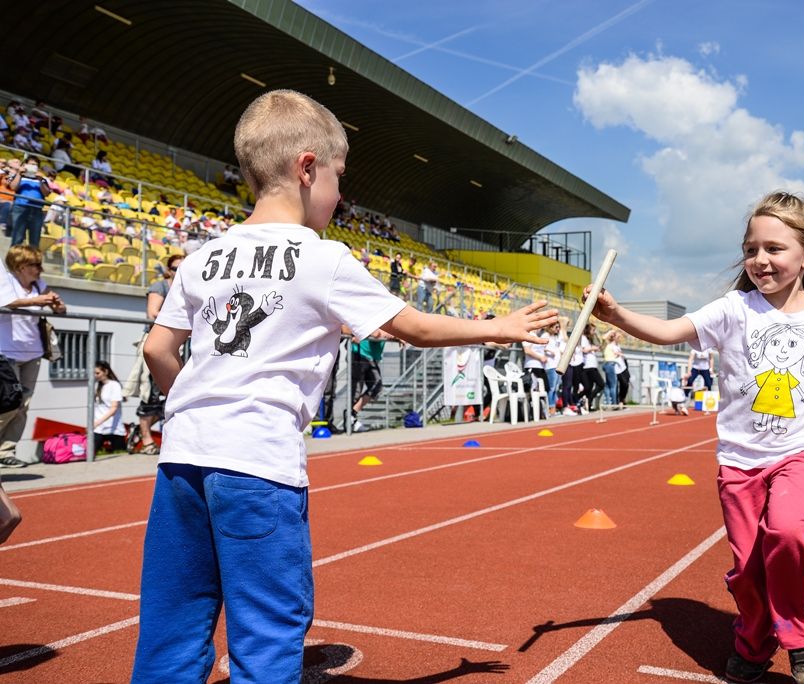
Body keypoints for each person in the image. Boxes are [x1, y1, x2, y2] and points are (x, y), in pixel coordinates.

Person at [132, 89, 557, 683]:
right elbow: (410, 326)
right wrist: (500, 328)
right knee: (267, 629)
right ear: (307, 168)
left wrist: (195, 409)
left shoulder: (202, 257)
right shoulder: (324, 258)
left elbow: (157, 348)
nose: (340, 193)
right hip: (258, 463)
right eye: (338, 177)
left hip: (182, 460)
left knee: (173, 625)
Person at [584, 191, 804, 684]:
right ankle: (754, 640)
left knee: (790, 533)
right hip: (739, 461)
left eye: (774, 248)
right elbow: (670, 331)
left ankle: (802, 636)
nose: (760, 259)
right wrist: (618, 316)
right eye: (752, 248)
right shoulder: (733, 309)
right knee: (749, 567)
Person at [0, 246, 66, 467]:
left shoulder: (39, 286)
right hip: (7, 352)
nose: (40, 269)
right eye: (35, 265)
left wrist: (57, 305)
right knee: (9, 403)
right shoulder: (7, 281)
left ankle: (7, 450)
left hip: (33, 352)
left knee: (23, 405)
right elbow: (7, 302)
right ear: (21, 267)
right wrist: (38, 301)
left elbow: (59, 309)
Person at [136, 254, 184, 455]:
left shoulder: (188, 285)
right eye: (175, 268)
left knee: (174, 395)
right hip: (160, 342)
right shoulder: (160, 287)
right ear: (168, 269)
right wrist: (184, 320)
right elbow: (152, 312)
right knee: (151, 394)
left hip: (181, 344)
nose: (178, 271)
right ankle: (146, 438)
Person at [349, 328, 395, 433]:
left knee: (376, 387)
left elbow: (388, 332)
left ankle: (352, 414)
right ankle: (351, 417)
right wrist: (383, 333)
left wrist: (397, 336)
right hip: (360, 353)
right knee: (358, 388)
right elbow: (375, 333)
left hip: (372, 356)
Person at [9, 156, 55, 248]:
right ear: (25, 165)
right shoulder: (19, 176)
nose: (33, 167)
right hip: (20, 208)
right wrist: (19, 173)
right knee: (17, 238)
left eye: (36, 165)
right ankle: (14, 259)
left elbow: (47, 193)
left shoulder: (42, 179)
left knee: (34, 241)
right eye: (31, 164)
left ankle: (31, 260)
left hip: (37, 210)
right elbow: (13, 187)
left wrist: (40, 180)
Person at [93, 361, 126, 452]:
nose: (95, 375)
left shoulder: (114, 385)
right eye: (94, 373)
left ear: (106, 372)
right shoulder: (96, 385)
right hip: (98, 429)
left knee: (120, 455)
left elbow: (114, 408)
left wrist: (97, 422)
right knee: (90, 454)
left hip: (114, 429)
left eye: (98, 373)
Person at [581, 323, 605, 411]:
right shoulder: (583, 338)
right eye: (593, 330)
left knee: (590, 387)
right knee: (601, 384)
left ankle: (588, 403)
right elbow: (583, 350)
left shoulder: (589, 339)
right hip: (588, 366)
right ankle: (588, 398)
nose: (594, 332)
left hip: (592, 365)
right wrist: (592, 348)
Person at [602, 329, 622, 408]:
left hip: (607, 364)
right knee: (613, 385)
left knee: (608, 385)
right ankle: (614, 403)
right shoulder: (610, 344)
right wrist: (611, 331)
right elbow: (604, 338)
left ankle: (608, 403)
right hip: (610, 364)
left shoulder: (610, 346)